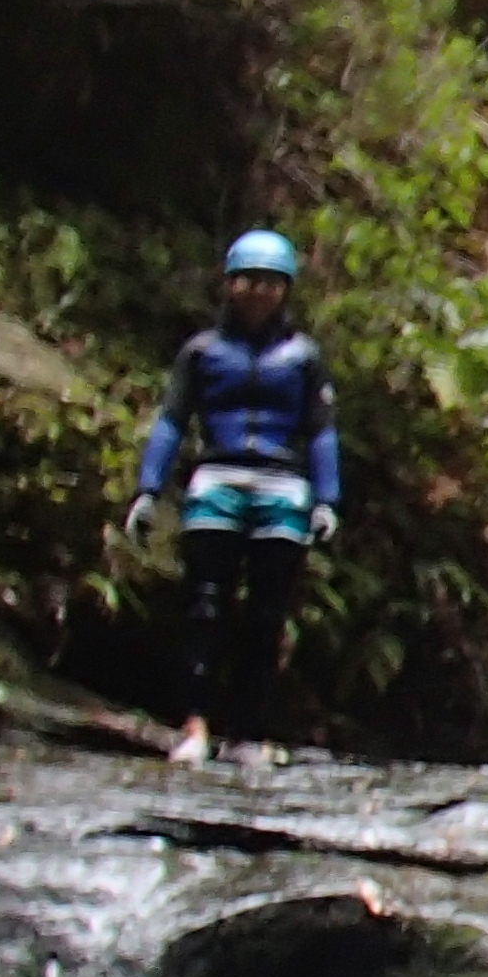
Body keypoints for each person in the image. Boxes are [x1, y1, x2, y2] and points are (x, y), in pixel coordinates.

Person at [126, 228, 338, 767]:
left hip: (282, 487)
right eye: (250, 281)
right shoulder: (201, 353)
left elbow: (320, 431)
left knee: (265, 615)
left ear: (286, 289)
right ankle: (195, 725)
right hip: (216, 480)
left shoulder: (303, 357)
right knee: (204, 605)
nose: (260, 292)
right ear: (229, 284)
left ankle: (248, 733)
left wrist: (326, 500)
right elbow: (172, 421)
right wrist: (148, 490)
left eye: (272, 283)